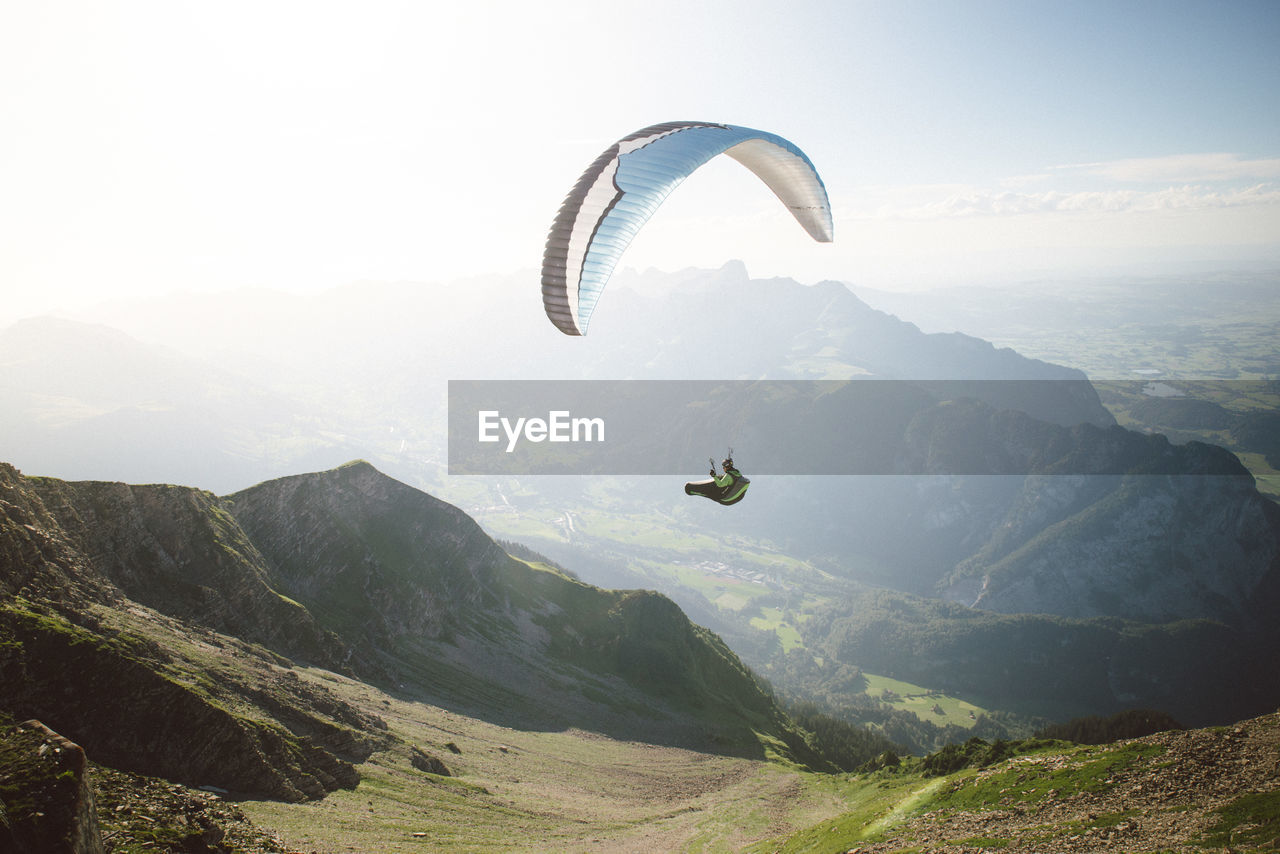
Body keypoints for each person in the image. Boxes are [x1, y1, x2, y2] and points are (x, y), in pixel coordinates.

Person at [685, 456, 750, 505]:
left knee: (709, 494)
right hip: (737, 498)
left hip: (726, 500)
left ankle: (691, 491)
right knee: (720, 479)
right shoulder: (736, 472)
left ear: (726, 467)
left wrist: (714, 476)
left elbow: (720, 485)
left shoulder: (728, 476)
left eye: (723, 467)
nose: (723, 468)